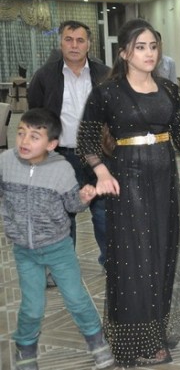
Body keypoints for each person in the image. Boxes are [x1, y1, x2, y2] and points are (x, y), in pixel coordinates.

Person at [76, 18, 180, 367]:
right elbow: (86, 139)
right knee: (134, 260)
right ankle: (134, 341)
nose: (149, 54)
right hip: (127, 178)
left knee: (162, 253)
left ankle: (155, 334)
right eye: (140, 47)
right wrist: (102, 171)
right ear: (124, 53)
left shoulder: (167, 88)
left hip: (164, 178)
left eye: (153, 47)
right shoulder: (107, 92)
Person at [1, 108, 114, 370]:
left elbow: (72, 205)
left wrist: (84, 198)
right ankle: (25, 347)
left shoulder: (61, 168)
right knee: (32, 306)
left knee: (76, 298)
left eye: (34, 136)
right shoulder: (6, 161)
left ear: (51, 144)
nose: (24, 141)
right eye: (21, 133)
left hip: (58, 248)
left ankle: (96, 341)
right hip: (24, 250)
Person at [27, 20, 109, 270]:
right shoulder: (45, 76)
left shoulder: (105, 75)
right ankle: (62, 267)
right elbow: (35, 115)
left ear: (89, 44)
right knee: (62, 216)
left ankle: (112, 263)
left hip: (99, 157)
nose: (74, 45)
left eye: (80, 40)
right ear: (61, 42)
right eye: (69, 39)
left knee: (104, 212)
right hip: (61, 157)